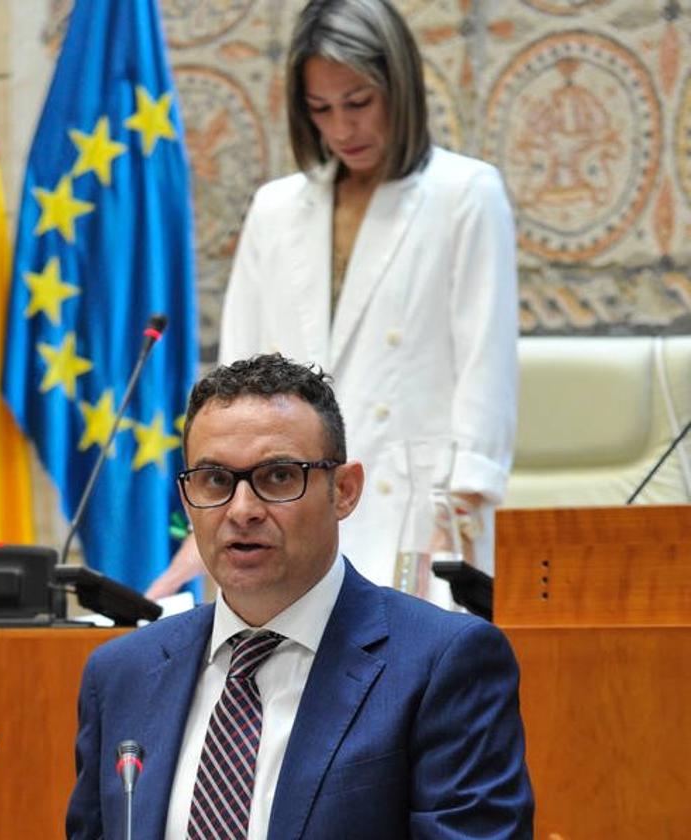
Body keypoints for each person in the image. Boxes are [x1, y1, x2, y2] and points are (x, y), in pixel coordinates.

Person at [67, 354, 533, 839]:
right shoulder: (121, 675)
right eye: (215, 480)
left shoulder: (443, 663)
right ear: (188, 500)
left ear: (345, 490)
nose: (242, 510)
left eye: (278, 477)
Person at [147, 0, 517, 604]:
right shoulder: (275, 209)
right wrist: (206, 526)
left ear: (399, 88)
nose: (343, 129)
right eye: (321, 109)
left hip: (417, 525)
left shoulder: (466, 195)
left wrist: (456, 525)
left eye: (359, 102)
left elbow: (486, 383)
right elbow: (235, 386)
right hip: (286, 515)